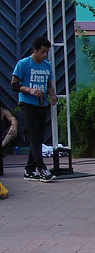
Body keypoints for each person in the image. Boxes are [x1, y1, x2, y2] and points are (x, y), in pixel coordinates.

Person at [10, 35, 58, 182]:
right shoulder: (24, 64)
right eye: (42, 52)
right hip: (28, 104)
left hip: (41, 104)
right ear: (34, 50)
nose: (44, 55)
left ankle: (29, 170)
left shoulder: (46, 65)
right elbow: (14, 85)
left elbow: (48, 85)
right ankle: (41, 169)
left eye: (46, 52)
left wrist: (53, 96)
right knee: (35, 137)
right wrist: (29, 90)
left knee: (38, 138)